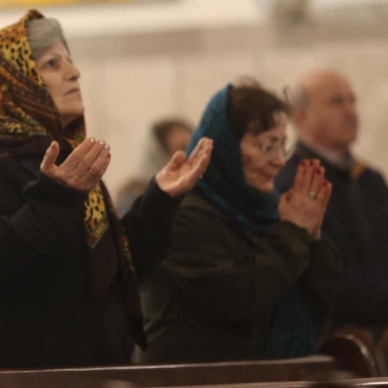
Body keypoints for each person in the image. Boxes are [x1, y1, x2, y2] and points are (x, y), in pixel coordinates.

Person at [0, 10, 213, 369]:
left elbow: (111, 271)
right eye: (52, 64)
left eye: (68, 60)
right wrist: (53, 197)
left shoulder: (66, 155)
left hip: (98, 363)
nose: (74, 72)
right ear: (13, 82)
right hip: (29, 371)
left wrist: (160, 199)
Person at [139, 82, 343, 363]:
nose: (279, 161)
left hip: (263, 374)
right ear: (225, 147)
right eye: (267, 146)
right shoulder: (181, 216)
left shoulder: (270, 210)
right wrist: (294, 233)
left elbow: (324, 297)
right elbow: (238, 299)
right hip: (190, 377)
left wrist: (313, 235)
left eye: (282, 146)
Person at [277, 70, 388, 338]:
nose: (351, 112)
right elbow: (322, 279)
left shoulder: (370, 180)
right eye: (337, 102)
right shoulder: (291, 183)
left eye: (352, 101)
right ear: (300, 115)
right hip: (334, 337)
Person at [115, 118, 193, 213]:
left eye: (196, 146)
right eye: (184, 149)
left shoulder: (196, 192)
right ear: (159, 158)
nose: (193, 155)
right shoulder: (134, 202)